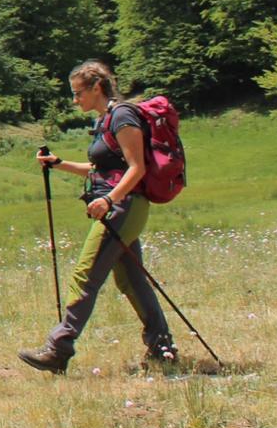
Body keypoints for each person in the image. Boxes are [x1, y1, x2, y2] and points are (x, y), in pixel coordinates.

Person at [18, 60, 175, 373]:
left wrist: (108, 199)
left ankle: (58, 348)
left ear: (97, 88)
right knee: (132, 280)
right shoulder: (107, 119)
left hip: (123, 207)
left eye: (78, 93)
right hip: (120, 205)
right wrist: (59, 164)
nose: (75, 100)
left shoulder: (122, 116)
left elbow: (137, 168)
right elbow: (102, 169)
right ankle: (162, 348)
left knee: (85, 275)